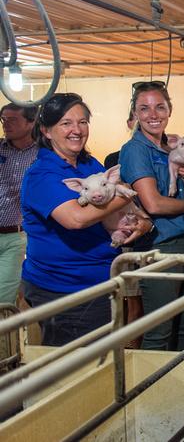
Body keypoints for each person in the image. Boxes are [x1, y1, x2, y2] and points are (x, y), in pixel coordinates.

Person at [20, 93, 151, 346]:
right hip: (65, 286)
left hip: (99, 279)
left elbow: (114, 210)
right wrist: (124, 194)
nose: (77, 130)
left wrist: (143, 223)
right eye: (66, 123)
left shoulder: (89, 165)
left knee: (99, 362)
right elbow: (76, 219)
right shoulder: (42, 175)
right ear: (46, 131)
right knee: (78, 369)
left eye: (82, 122)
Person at [120, 81, 184, 350]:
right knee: (160, 330)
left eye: (160, 107)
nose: (153, 115)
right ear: (135, 113)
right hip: (160, 246)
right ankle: (151, 392)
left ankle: (177, 390)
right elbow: (153, 204)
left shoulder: (173, 148)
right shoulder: (135, 149)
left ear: (170, 110)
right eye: (144, 108)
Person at [0, 103, 38, 305]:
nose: (6, 124)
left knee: (3, 298)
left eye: (12, 120)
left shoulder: (42, 155)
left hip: (16, 235)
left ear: (31, 123)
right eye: (3, 120)